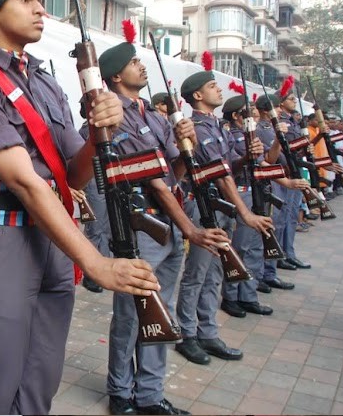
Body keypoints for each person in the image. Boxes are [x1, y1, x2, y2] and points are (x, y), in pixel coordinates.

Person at [0, 0, 160, 414]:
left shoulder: (44, 80)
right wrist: (96, 262)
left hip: (53, 244)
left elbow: (74, 174)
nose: (42, 9)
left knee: (42, 380)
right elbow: (23, 180)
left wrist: (98, 130)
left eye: (42, 0)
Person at [88, 35, 229, 415]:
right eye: (135, 62)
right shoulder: (114, 114)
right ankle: (120, 390)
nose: (142, 66)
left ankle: (149, 394)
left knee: (159, 312)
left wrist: (187, 145)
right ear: (116, 75)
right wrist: (191, 229)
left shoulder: (152, 114)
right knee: (132, 313)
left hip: (166, 221)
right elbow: (153, 181)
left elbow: (174, 173)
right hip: (141, 224)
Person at [174, 62, 273, 366]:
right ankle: (187, 334)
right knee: (197, 273)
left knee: (214, 273)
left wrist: (247, 156)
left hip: (221, 208)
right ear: (198, 96)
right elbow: (220, 174)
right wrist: (245, 213)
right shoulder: (200, 129)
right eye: (213, 86)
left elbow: (229, 165)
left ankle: (208, 332)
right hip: (206, 208)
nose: (219, 89)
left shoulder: (215, 126)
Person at [218, 94, 283, 318]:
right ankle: (232, 296)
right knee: (241, 248)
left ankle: (249, 295)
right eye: (249, 110)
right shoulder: (233, 136)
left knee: (256, 247)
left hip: (257, 191)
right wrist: (248, 155)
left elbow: (269, 161)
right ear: (237, 116)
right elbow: (233, 167)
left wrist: (277, 141)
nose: (254, 113)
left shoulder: (252, 135)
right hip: (242, 192)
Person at [254, 94, 303, 292]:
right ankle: (267, 272)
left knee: (282, 223)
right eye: (276, 108)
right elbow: (271, 159)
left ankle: (271, 269)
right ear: (267, 110)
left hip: (284, 176)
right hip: (274, 179)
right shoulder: (263, 130)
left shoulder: (280, 125)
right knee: (272, 227)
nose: (280, 110)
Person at [274, 85, 312, 269]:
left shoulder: (294, 122)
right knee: (283, 216)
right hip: (287, 172)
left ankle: (288, 252)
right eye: (290, 99)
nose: (294, 101)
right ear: (281, 103)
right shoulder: (281, 122)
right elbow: (280, 150)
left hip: (296, 168)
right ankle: (281, 254)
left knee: (290, 215)